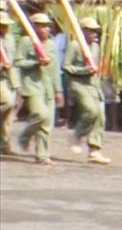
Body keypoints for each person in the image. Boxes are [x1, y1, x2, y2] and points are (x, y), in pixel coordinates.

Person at [14, 13, 62, 165]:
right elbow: (19, 62)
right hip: (32, 84)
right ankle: (25, 136)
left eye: (47, 26)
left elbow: (55, 69)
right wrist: (36, 62)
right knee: (40, 114)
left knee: (48, 122)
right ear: (34, 27)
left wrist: (58, 90)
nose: (44, 29)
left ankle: (42, 155)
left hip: (48, 86)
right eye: (40, 25)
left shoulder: (52, 44)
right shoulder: (26, 42)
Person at [63, 16, 110, 164]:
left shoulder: (96, 47)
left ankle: (95, 150)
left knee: (100, 116)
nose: (94, 34)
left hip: (93, 84)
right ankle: (77, 136)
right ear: (83, 31)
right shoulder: (75, 45)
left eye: (96, 31)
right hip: (78, 84)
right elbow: (66, 66)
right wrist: (84, 70)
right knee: (91, 110)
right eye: (91, 31)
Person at [1, 13, 19, 154]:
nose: (4, 28)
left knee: (9, 114)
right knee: (8, 103)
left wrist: (16, 83)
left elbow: (13, 61)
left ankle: (4, 143)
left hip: (8, 78)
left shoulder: (9, 40)